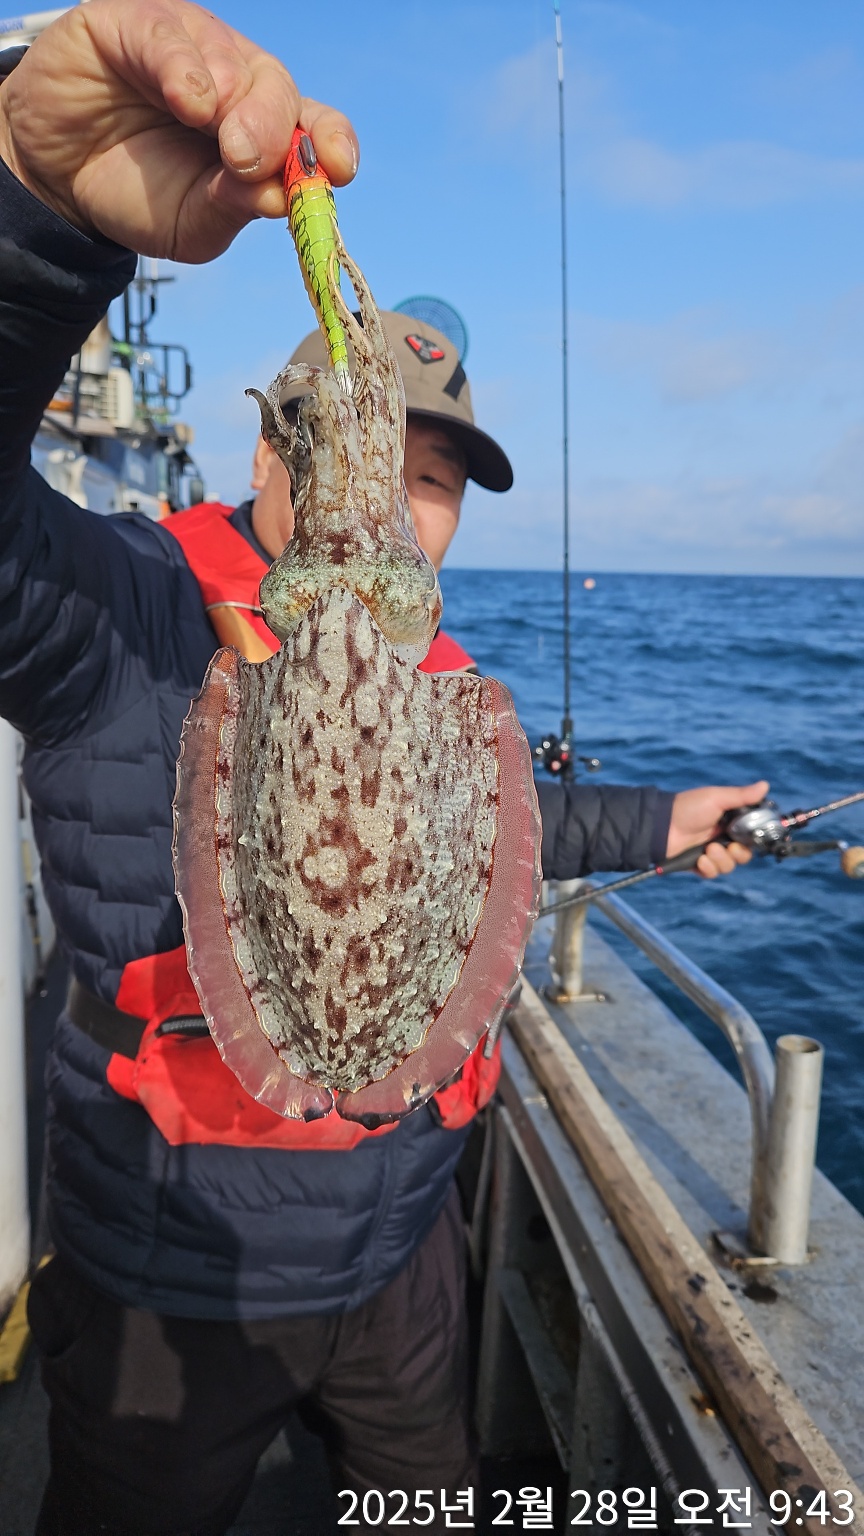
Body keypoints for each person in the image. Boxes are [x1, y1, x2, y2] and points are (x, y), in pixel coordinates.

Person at [0, 5, 765, 1532]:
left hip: (401, 1248)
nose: (400, 506)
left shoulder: (438, 688)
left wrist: (658, 823)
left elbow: (499, 823)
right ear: (268, 453)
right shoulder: (120, 610)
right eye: (357, 456)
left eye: (433, 480)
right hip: (170, 1264)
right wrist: (32, 220)